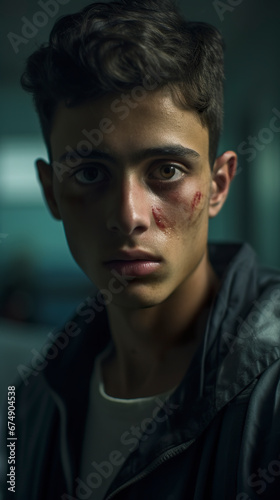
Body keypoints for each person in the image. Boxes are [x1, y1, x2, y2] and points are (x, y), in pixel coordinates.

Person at [1, 0, 280, 498]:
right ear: (51, 193)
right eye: (90, 173)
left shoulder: (272, 390)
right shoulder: (28, 399)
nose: (129, 216)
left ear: (217, 186)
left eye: (167, 171)